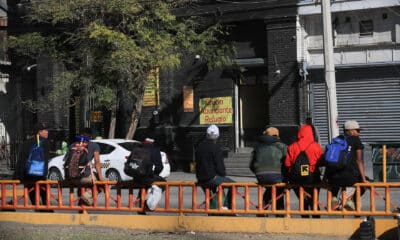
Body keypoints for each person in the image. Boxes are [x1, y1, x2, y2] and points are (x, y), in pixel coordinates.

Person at [325, 120, 368, 210]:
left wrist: (325, 178)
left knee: (338, 176)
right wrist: (364, 179)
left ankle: (334, 198)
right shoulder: (356, 140)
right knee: (367, 182)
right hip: (349, 178)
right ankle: (350, 200)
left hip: (333, 179)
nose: (359, 132)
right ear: (350, 131)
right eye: (358, 130)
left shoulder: (336, 140)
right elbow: (359, 161)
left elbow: (329, 162)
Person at [284, 124, 324, 218]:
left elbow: (287, 164)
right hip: (313, 177)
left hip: (297, 179)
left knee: (303, 201)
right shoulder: (316, 146)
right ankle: (316, 221)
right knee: (314, 200)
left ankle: (304, 220)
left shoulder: (292, 146)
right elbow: (322, 162)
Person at [195, 124, 235, 209]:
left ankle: (213, 209)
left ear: (207, 135)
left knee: (211, 194)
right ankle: (227, 207)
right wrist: (222, 175)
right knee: (234, 185)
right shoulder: (216, 148)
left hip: (200, 179)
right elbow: (219, 166)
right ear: (217, 136)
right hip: (212, 178)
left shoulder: (199, 147)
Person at [249, 127, 287, 215]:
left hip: (260, 175)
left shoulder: (257, 146)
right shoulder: (282, 146)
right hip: (277, 175)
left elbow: (251, 165)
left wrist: (258, 172)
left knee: (270, 188)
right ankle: (279, 212)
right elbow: (287, 162)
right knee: (278, 189)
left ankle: (263, 209)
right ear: (276, 136)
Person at [14, 122, 51, 207]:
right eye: (44, 130)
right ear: (39, 132)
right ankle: (46, 210)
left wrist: (17, 176)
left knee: (33, 196)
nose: (47, 132)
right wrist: (45, 174)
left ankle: (37, 208)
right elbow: (45, 160)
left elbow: (21, 160)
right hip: (40, 176)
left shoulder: (26, 143)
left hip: (28, 176)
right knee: (45, 196)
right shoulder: (45, 142)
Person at [66, 127, 106, 206]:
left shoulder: (73, 145)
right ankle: (87, 195)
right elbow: (97, 162)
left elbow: (66, 161)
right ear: (90, 137)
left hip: (72, 177)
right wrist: (101, 177)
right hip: (85, 177)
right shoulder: (94, 145)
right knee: (103, 183)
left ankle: (81, 206)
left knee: (81, 187)